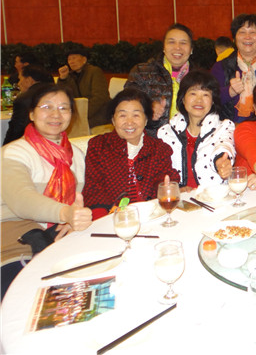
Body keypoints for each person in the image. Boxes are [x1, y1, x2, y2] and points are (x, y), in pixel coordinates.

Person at [1, 84, 92, 295]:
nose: (55, 114)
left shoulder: (77, 156)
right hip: (15, 241)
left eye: (63, 108)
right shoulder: (14, 153)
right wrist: (65, 213)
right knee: (26, 298)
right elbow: (22, 199)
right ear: (31, 114)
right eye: (46, 106)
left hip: (61, 239)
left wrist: (73, 220)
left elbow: (79, 202)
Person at [83, 89, 179, 218]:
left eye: (136, 115)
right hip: (112, 219)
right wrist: (103, 221)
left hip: (153, 217)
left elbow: (164, 180)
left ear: (146, 120)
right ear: (113, 120)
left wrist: (166, 187)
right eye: (122, 115)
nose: (129, 122)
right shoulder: (99, 146)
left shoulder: (159, 149)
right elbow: (94, 191)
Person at [157, 70, 235, 191]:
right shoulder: (166, 132)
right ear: (183, 99)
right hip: (179, 198)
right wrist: (176, 189)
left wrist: (221, 161)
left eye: (205, 95)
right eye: (193, 93)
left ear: (212, 101)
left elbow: (224, 145)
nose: (199, 100)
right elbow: (159, 170)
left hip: (212, 197)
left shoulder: (223, 127)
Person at [212, 14, 256, 124]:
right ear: (234, 38)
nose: (247, 37)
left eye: (252, 32)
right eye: (242, 32)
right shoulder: (221, 67)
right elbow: (209, 99)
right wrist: (230, 92)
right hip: (229, 129)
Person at [125, 23, 194, 134]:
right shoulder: (142, 72)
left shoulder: (200, 77)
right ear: (164, 47)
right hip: (151, 137)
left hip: (189, 139)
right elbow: (127, 103)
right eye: (171, 42)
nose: (177, 47)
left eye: (183, 43)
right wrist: (147, 108)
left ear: (191, 49)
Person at [57, 46, 111, 128]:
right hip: (79, 114)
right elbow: (63, 96)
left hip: (98, 114)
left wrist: (82, 115)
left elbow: (100, 98)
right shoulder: (70, 76)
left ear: (84, 60)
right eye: (69, 59)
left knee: (73, 126)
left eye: (74, 58)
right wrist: (63, 79)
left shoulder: (94, 71)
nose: (71, 62)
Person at [3, 65, 54, 145]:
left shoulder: (23, 99)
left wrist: (5, 148)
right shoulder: (57, 94)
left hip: (32, 144)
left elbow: (16, 130)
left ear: (29, 80)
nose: (19, 83)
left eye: (20, 79)